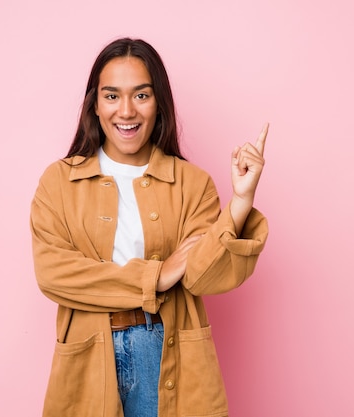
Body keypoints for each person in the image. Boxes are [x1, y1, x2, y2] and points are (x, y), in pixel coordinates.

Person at [30, 37, 269, 417]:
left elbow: (203, 277)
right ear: (95, 104)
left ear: (159, 104)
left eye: (141, 95)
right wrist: (155, 277)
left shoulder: (192, 183)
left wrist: (240, 201)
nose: (126, 111)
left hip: (164, 350)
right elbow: (54, 274)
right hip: (90, 352)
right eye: (111, 96)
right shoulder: (59, 182)